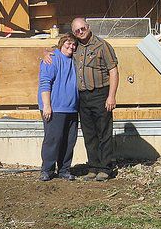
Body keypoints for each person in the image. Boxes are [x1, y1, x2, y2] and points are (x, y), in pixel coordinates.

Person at [70, 18, 118, 181]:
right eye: (77, 30)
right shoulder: (74, 46)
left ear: (88, 27)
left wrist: (111, 96)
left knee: (103, 131)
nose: (80, 32)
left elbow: (113, 71)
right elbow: (59, 49)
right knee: (89, 133)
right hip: (83, 97)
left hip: (100, 94)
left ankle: (105, 168)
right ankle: (93, 167)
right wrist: (46, 53)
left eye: (82, 28)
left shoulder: (102, 45)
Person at [37, 33, 79, 181]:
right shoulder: (52, 59)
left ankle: (64, 169)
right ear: (61, 44)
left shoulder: (75, 60)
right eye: (68, 43)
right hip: (55, 107)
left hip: (72, 108)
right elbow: (45, 83)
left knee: (69, 140)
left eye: (73, 44)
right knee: (53, 139)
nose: (71, 46)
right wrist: (47, 105)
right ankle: (47, 170)